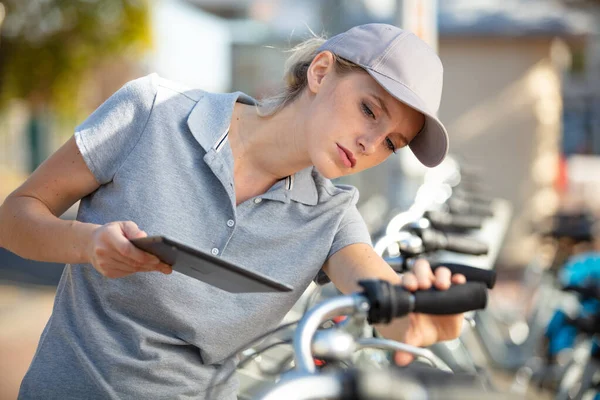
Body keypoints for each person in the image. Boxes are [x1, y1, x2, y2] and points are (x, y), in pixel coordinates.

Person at [0, 23, 466, 399]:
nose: (370, 144)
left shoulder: (332, 216)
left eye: (391, 143)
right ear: (321, 72)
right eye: (369, 109)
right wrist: (88, 244)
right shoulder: (152, 111)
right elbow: (15, 216)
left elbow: (377, 288)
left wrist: (415, 315)